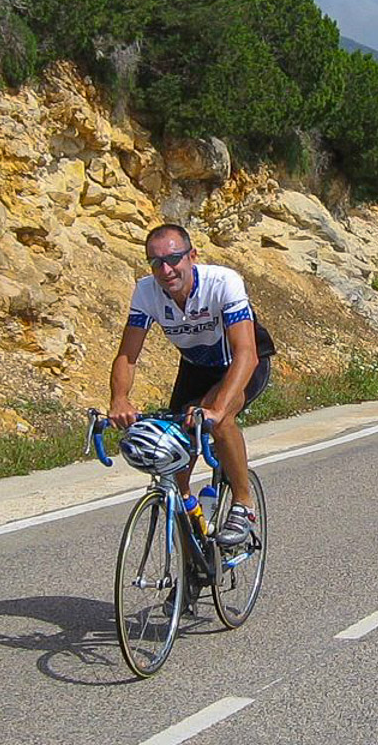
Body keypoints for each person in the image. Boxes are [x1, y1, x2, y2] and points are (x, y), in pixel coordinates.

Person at [108, 223, 273, 548]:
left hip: (242, 364)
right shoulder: (146, 292)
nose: (165, 269)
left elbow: (246, 353)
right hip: (197, 367)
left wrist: (216, 408)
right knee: (173, 465)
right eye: (156, 262)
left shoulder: (222, 283)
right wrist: (119, 399)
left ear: (192, 256)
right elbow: (127, 354)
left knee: (219, 420)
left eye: (173, 259)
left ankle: (243, 504)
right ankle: (194, 552)